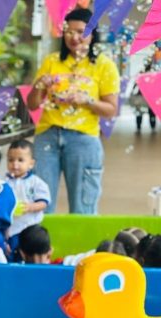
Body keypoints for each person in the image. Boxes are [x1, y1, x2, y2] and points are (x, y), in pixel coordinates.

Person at [27, 7, 119, 214]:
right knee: (40, 204)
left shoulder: (104, 66)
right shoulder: (52, 61)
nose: (74, 37)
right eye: (69, 31)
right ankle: (39, 237)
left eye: (80, 32)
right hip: (47, 136)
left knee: (83, 208)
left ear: (92, 34)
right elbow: (32, 104)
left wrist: (87, 101)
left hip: (83, 139)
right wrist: (39, 85)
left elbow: (111, 110)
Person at [5, 139, 51, 261]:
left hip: (31, 228)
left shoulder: (36, 182)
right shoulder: (4, 182)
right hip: (12, 229)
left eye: (20, 160)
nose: (15, 164)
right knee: (12, 255)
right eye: (11, 160)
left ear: (31, 163)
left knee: (30, 255)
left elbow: (44, 202)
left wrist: (30, 207)